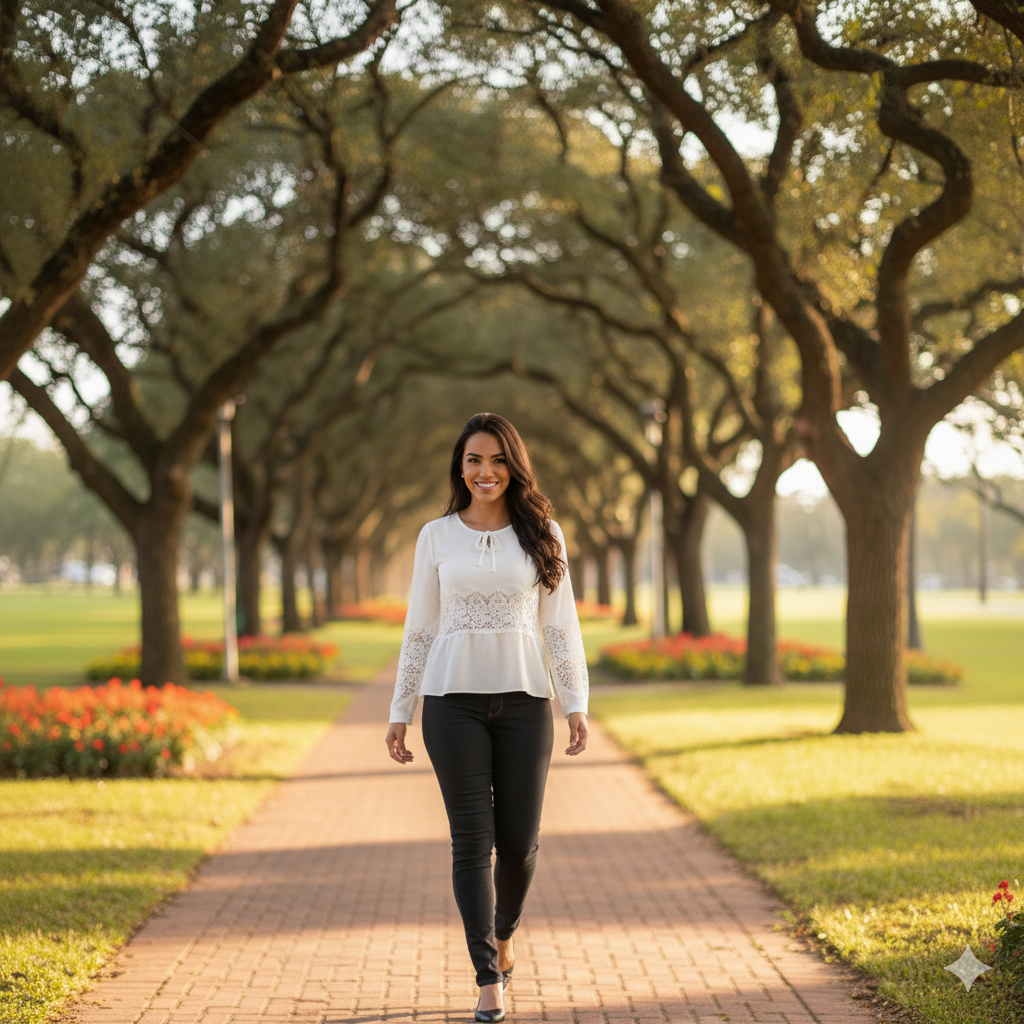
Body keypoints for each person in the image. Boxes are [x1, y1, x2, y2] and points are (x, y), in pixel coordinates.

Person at [385, 412, 589, 1023]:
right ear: (460, 467)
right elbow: (419, 627)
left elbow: (561, 627)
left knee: (520, 845)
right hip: (452, 706)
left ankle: (504, 940)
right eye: (474, 460)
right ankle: (486, 980)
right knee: (472, 844)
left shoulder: (542, 533)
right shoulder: (435, 536)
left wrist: (574, 703)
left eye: (497, 459)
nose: (485, 471)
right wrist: (401, 709)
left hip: (526, 704)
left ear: (513, 466)